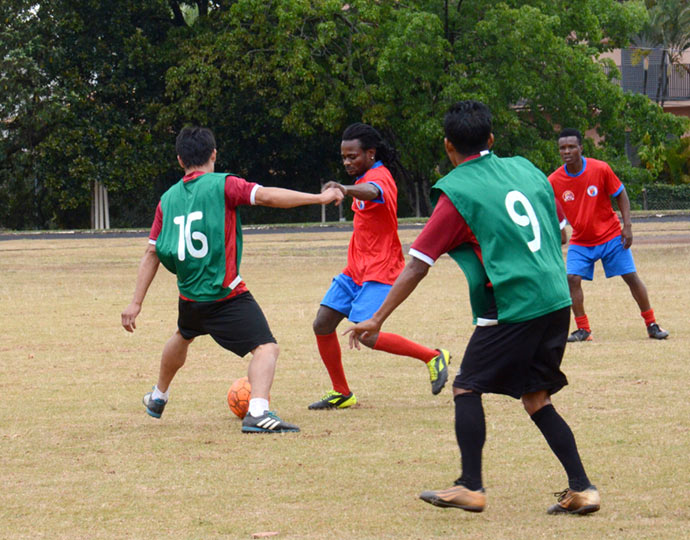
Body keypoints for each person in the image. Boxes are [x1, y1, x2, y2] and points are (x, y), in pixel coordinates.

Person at [346, 101, 600, 515]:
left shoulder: (458, 191)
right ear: (492, 139)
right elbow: (561, 230)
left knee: (466, 386)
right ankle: (583, 489)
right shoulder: (526, 168)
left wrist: (376, 318)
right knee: (536, 396)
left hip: (513, 304)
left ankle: (470, 486)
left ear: (449, 146)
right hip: (555, 299)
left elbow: (417, 264)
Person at [121, 126, 343, 433]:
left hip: (190, 297)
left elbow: (152, 253)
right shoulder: (223, 185)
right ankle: (258, 413)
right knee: (266, 348)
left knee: (184, 334)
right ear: (213, 154)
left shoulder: (167, 199)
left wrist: (135, 303)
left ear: (179, 160)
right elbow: (266, 196)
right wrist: (319, 198)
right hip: (224, 295)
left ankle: (158, 396)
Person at [308, 123, 450, 410]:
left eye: (353, 156)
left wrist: (344, 188)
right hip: (355, 270)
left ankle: (433, 356)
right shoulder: (364, 176)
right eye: (344, 157)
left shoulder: (379, 177)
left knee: (367, 335)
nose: (347, 162)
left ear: (370, 153)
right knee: (322, 323)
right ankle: (343, 393)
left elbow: (372, 191)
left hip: (381, 269)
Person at [549, 128, 669, 342]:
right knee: (572, 278)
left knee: (631, 277)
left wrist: (628, 225)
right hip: (581, 240)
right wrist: (558, 230)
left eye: (571, 147)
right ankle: (583, 330)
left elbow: (621, 194)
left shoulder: (600, 169)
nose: (566, 151)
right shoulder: (555, 180)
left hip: (611, 235)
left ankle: (652, 324)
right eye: (562, 148)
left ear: (581, 148)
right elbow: (548, 207)